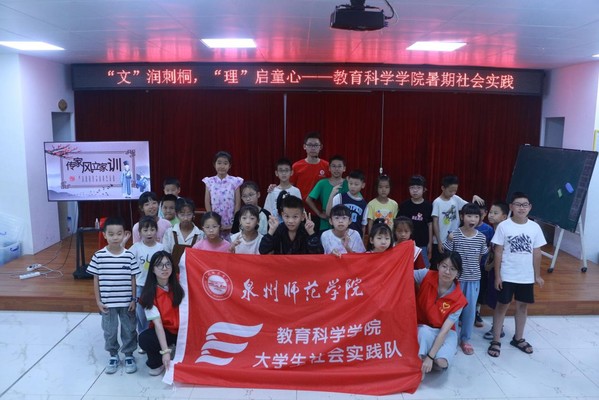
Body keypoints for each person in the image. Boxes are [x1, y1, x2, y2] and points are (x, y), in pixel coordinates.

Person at [488, 192, 546, 358]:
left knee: (522, 307)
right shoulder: (504, 226)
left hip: (526, 276)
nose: (522, 208)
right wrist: (498, 276)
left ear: (530, 207)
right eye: (518, 204)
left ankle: (518, 338)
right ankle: (496, 340)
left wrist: (537, 275)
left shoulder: (534, 227)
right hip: (507, 274)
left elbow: (537, 253)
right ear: (511, 207)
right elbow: (498, 252)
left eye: (525, 205)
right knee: (502, 306)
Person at [86, 216, 140, 374]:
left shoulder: (129, 255)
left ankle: (129, 354)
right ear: (104, 235)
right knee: (109, 330)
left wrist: (133, 299)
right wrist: (98, 301)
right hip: (107, 303)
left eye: (119, 233)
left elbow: (133, 279)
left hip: (126, 302)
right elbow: (96, 280)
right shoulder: (98, 256)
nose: (115, 237)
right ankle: (113, 354)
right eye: (111, 234)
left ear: (125, 234)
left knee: (129, 329)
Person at [443, 203, 488, 355]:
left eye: (476, 216)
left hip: (473, 279)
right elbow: (448, 256)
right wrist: (449, 239)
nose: (472, 219)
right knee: (453, 310)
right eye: (469, 216)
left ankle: (465, 339)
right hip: (456, 280)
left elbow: (480, 258)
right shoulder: (454, 235)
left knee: (470, 310)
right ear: (462, 217)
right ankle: (451, 338)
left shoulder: (481, 237)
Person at [415, 251, 467, 375]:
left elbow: (444, 331)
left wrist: (430, 357)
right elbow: (403, 272)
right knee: (424, 333)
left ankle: (431, 355)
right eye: (444, 266)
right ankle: (423, 357)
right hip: (423, 328)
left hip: (445, 333)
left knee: (441, 364)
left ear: (458, 273)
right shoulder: (426, 275)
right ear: (438, 266)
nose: (447, 272)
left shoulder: (459, 299)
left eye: (452, 269)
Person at [138, 251, 185, 376]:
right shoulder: (148, 294)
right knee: (145, 339)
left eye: (168, 264)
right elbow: (158, 324)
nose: (165, 268)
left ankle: (176, 347)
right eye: (160, 265)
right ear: (152, 269)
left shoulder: (181, 281)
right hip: (165, 330)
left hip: (184, 329)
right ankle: (159, 360)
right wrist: (165, 352)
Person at [431, 175, 484, 267]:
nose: (453, 193)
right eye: (450, 191)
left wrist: (474, 197)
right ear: (443, 188)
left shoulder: (455, 198)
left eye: (455, 191)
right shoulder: (437, 202)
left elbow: (469, 207)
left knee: (453, 265)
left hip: (454, 239)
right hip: (441, 240)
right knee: (440, 265)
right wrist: (439, 241)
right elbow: (435, 222)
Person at [128, 216, 164, 336]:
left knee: (156, 312)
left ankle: (155, 335)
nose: (149, 233)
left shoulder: (161, 247)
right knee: (141, 314)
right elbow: (126, 259)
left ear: (156, 231)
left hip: (157, 286)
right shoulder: (136, 247)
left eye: (152, 230)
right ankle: (143, 335)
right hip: (140, 286)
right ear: (139, 232)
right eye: (145, 230)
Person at [290, 131, 330, 230]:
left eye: (316, 145)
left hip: (320, 212)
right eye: (310, 145)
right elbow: (289, 187)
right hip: (300, 211)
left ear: (321, 147)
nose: (313, 148)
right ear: (304, 146)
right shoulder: (296, 166)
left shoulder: (327, 166)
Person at [259, 195, 323, 254]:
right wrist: (271, 231)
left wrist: (311, 233)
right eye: (287, 216)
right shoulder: (278, 230)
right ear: (282, 215)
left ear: (302, 217)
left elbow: (319, 253)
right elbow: (263, 251)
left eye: (295, 217)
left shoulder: (307, 230)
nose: (290, 221)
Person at [483, 201, 509, 340]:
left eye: (495, 213)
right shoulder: (494, 230)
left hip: (502, 272)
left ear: (504, 216)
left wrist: (491, 265)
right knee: (494, 299)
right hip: (494, 270)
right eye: (490, 212)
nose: (491, 215)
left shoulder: (504, 232)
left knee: (499, 300)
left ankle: (498, 329)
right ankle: (497, 327)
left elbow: (502, 254)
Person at [203, 151, 244, 238]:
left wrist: (234, 222)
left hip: (230, 221)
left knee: (231, 243)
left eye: (225, 163)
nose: (222, 166)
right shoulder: (209, 181)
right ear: (214, 164)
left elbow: (237, 203)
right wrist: (212, 220)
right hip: (214, 222)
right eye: (219, 163)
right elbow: (207, 202)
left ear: (229, 165)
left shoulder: (235, 181)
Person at [305, 155, 348, 233]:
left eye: (339, 166)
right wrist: (319, 213)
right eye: (333, 166)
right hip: (326, 221)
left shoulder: (348, 184)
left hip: (343, 221)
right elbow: (308, 199)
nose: (336, 169)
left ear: (344, 168)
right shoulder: (322, 183)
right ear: (329, 168)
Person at [398, 175, 433, 267]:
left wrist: (430, 243)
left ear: (424, 189)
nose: (415, 190)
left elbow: (430, 225)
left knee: (424, 268)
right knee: (405, 267)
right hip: (406, 243)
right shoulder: (404, 206)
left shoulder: (428, 206)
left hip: (423, 243)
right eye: (412, 188)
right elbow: (398, 225)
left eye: (418, 188)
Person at [162, 197, 204, 267]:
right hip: (172, 271)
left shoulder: (200, 234)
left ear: (193, 215)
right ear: (176, 215)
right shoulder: (169, 232)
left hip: (192, 270)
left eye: (189, 214)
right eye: (182, 214)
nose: (185, 218)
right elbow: (165, 255)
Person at [325, 169, 368, 237]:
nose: (353, 186)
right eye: (350, 183)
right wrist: (331, 195)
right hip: (339, 236)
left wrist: (361, 241)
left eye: (356, 184)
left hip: (355, 238)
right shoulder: (340, 197)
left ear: (363, 185)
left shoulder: (364, 204)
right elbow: (328, 213)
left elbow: (363, 226)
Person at [474, 203, 494, 328]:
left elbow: (491, 247)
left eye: (480, 214)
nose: (476, 218)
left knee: (480, 290)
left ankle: (476, 312)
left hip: (482, 266)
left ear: (485, 213)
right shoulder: (464, 226)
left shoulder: (488, 229)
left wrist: (488, 262)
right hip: (467, 265)